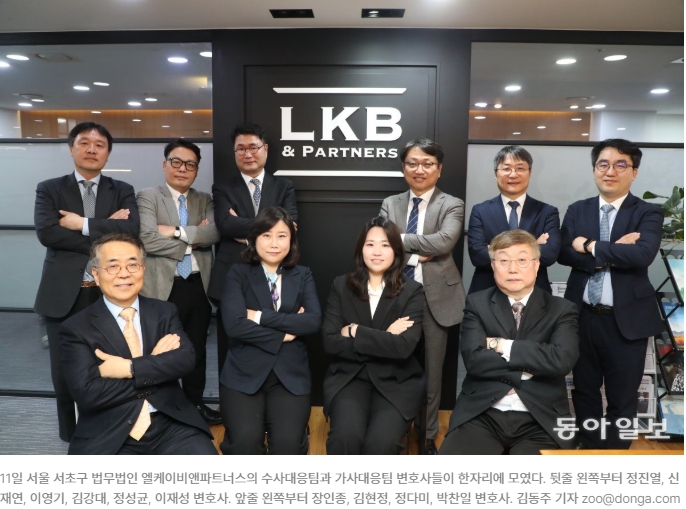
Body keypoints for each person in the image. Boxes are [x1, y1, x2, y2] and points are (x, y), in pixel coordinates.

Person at [60, 233, 217, 455]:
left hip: (171, 422)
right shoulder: (76, 327)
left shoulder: (164, 311)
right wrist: (156, 366)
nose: (124, 273)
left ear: (143, 268)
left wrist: (129, 368)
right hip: (111, 429)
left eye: (132, 264)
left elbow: (185, 360)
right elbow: (88, 393)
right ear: (96, 274)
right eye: (113, 266)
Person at [33, 122, 140, 442]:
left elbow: (131, 232)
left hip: (109, 293)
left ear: (108, 152)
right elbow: (48, 233)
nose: (92, 149)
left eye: (99, 144)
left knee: (112, 362)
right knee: (64, 369)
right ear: (71, 149)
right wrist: (106, 230)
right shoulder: (50, 188)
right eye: (84, 143)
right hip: (63, 292)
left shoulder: (122, 189)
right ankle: (71, 434)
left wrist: (80, 223)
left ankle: (112, 426)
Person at [558, 139, 664, 449]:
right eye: (603, 164)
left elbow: (642, 255)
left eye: (620, 165)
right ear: (594, 170)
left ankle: (614, 454)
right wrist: (614, 251)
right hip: (582, 316)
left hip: (626, 321)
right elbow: (564, 253)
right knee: (585, 389)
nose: (610, 171)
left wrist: (589, 246)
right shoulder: (578, 210)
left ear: (634, 172)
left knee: (623, 396)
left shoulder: (648, 212)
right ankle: (590, 447)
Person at [440, 230, 579, 455]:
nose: (512, 269)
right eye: (504, 261)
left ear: (536, 264)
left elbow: (561, 360)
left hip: (541, 417)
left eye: (522, 260)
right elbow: (475, 361)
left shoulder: (561, 309)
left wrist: (501, 345)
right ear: (493, 265)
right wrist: (531, 367)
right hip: (482, 412)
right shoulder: (477, 303)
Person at [380, 138, 465, 454]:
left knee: (433, 372)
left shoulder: (452, 204)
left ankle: (428, 434)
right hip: (396, 295)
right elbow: (382, 245)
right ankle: (396, 430)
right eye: (412, 163)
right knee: (395, 367)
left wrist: (401, 241)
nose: (419, 169)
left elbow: (444, 242)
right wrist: (418, 251)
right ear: (404, 168)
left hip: (436, 298)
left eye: (427, 163)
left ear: (439, 169)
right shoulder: (391, 203)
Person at [218, 207, 321, 454]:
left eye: (282, 236)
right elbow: (234, 325)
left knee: (288, 445)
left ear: (291, 240)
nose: (274, 243)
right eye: (266, 235)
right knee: (244, 443)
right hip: (244, 372)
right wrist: (284, 332)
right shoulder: (238, 273)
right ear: (254, 238)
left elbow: (312, 321)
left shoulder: (303, 274)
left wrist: (259, 316)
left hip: (290, 375)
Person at [323, 216, 425, 455]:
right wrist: (385, 336)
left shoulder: (412, 291)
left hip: (396, 381)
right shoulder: (341, 286)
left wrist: (354, 331)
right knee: (345, 437)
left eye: (385, 245)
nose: (377, 252)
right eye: (370, 244)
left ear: (396, 251)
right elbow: (330, 341)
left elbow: (403, 347)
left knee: (382, 443)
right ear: (361, 249)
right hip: (351, 377)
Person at [136, 139, 221, 425]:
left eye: (190, 164)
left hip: (198, 286)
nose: (183, 169)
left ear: (196, 170)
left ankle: (194, 404)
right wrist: (193, 238)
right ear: (165, 165)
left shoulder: (204, 199)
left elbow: (214, 234)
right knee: (160, 351)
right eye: (176, 162)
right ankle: (163, 408)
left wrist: (173, 231)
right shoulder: (148, 196)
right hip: (162, 287)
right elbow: (146, 239)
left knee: (196, 350)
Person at [209, 122, 298, 379]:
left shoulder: (283, 186)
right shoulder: (223, 187)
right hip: (232, 272)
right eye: (241, 149)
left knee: (271, 339)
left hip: (274, 274)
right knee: (231, 344)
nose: (247, 154)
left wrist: (245, 228)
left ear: (265, 149)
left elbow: (291, 226)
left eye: (253, 147)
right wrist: (270, 226)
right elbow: (225, 224)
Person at [468, 146, 561, 294]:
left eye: (520, 168)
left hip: (535, 294)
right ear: (495, 174)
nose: (513, 174)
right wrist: (533, 246)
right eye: (506, 168)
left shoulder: (547, 212)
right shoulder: (480, 211)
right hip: (487, 292)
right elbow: (478, 256)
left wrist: (494, 250)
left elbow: (550, 255)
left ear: (530, 173)